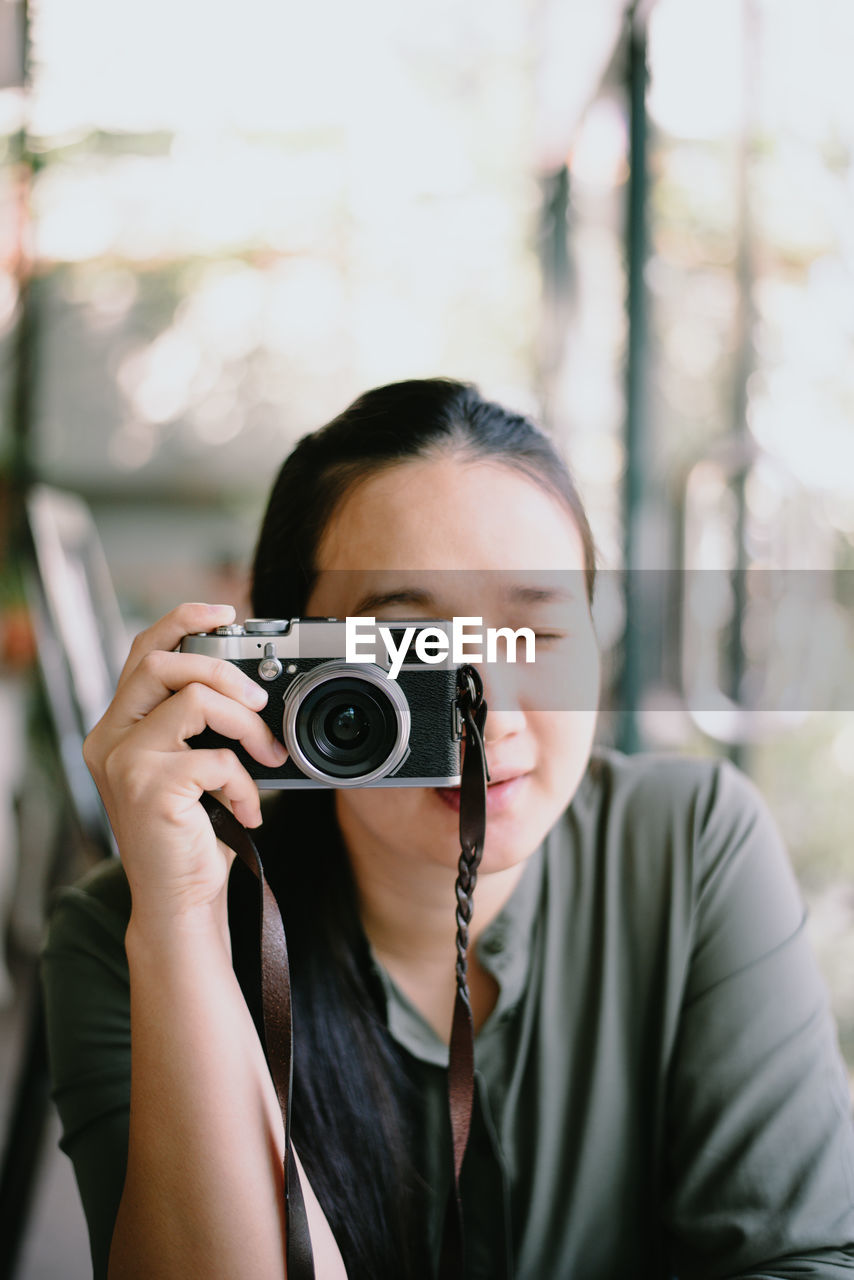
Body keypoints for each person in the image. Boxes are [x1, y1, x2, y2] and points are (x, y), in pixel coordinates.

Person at [42, 378, 854, 1280]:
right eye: (409, 648)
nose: (489, 713)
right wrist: (188, 927)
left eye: (535, 633)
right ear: (286, 674)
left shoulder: (690, 845)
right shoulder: (126, 935)